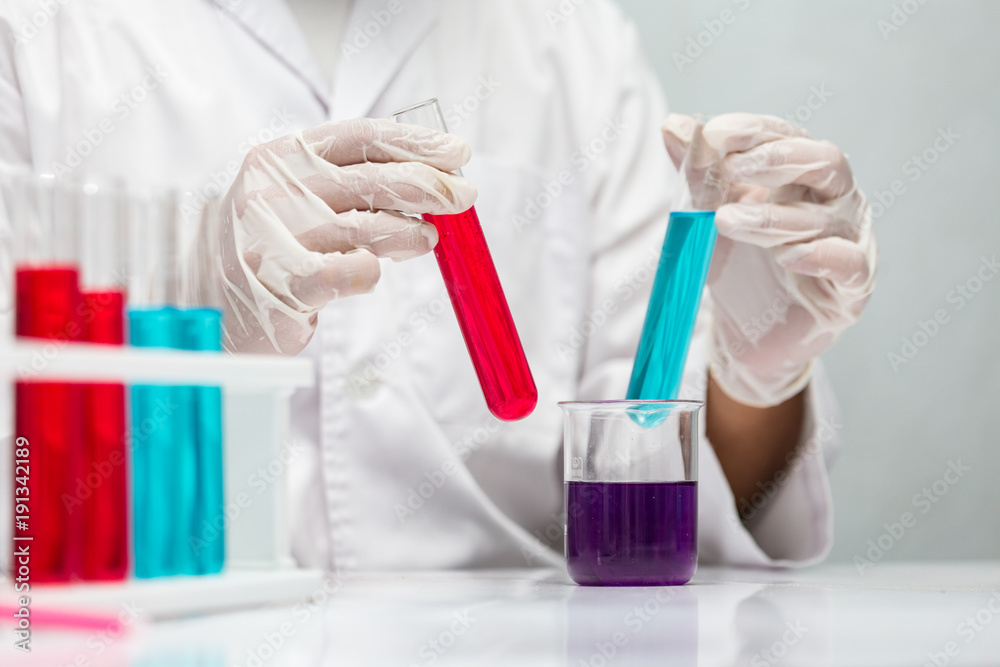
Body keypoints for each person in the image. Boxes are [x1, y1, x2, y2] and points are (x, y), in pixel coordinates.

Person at [0, 0, 875, 570]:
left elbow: (649, 466)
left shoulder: (565, 34)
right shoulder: (38, 32)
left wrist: (752, 371)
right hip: (150, 635)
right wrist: (183, 312)